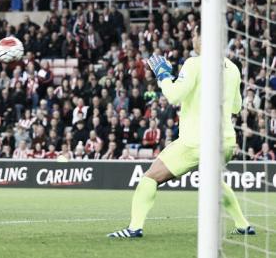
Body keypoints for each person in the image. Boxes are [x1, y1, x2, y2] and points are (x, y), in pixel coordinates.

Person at [108, 26, 255, 238]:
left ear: (203, 38)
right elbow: (236, 107)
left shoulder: (194, 63)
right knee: (212, 180)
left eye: (194, 35)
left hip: (197, 141)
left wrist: (163, 75)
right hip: (227, 141)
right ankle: (243, 225)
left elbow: (174, 96)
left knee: (149, 178)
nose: (192, 39)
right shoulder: (232, 68)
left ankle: (134, 228)